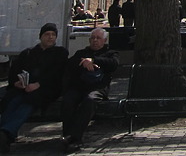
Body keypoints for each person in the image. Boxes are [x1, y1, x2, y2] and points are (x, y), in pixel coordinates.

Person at [0, 23, 68, 153]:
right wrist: (17, 83)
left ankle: (6, 132)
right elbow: (15, 71)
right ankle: (4, 133)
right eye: (47, 34)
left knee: (28, 104)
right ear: (41, 36)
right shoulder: (28, 53)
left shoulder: (60, 53)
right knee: (13, 101)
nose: (50, 37)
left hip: (46, 89)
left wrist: (38, 84)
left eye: (53, 35)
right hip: (24, 88)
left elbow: (56, 74)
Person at [60, 28, 119, 152]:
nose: (95, 41)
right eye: (93, 38)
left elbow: (113, 64)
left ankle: (74, 137)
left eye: (98, 38)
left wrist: (94, 61)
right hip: (79, 87)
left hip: (98, 88)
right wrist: (84, 61)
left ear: (104, 40)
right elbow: (70, 64)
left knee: (90, 101)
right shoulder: (81, 52)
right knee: (68, 100)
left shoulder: (110, 53)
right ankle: (67, 135)